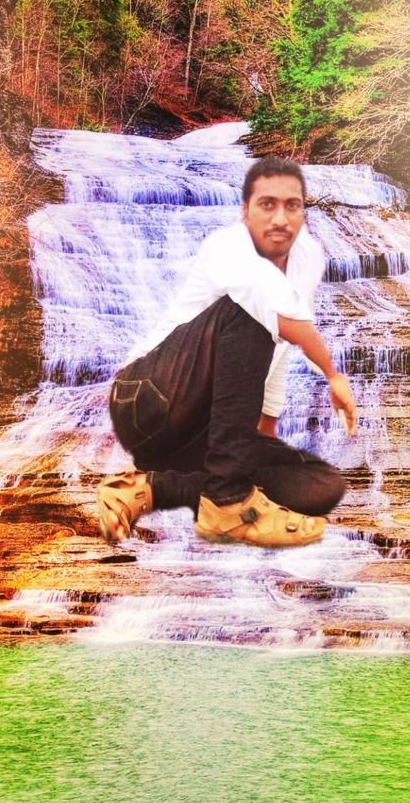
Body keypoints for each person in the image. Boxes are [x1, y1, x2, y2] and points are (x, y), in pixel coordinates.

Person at [97, 156, 358, 547]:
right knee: (249, 311)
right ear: (245, 211)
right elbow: (276, 314)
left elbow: (278, 352)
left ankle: (147, 490)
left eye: (292, 205)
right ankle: (228, 502)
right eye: (267, 204)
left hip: (206, 431)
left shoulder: (308, 259)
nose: (281, 218)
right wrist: (332, 373)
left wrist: (259, 443)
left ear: (303, 212)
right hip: (148, 400)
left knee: (321, 486)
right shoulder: (228, 246)